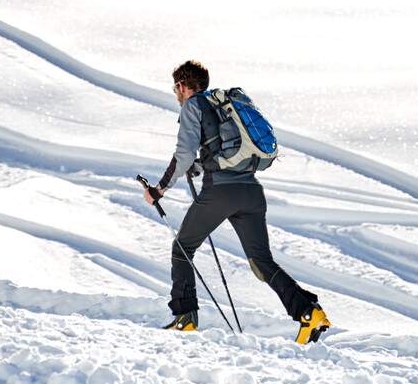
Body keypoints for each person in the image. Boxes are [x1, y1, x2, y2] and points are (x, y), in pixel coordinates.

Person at [140, 60, 332, 343]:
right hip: (251, 192)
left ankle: (185, 318)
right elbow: (219, 154)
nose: (175, 94)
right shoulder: (222, 108)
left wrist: (159, 189)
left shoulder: (193, 107)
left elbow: (183, 156)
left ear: (182, 86)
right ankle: (308, 313)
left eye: (175, 89)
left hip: (220, 192)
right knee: (261, 262)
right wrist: (197, 167)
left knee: (182, 249)